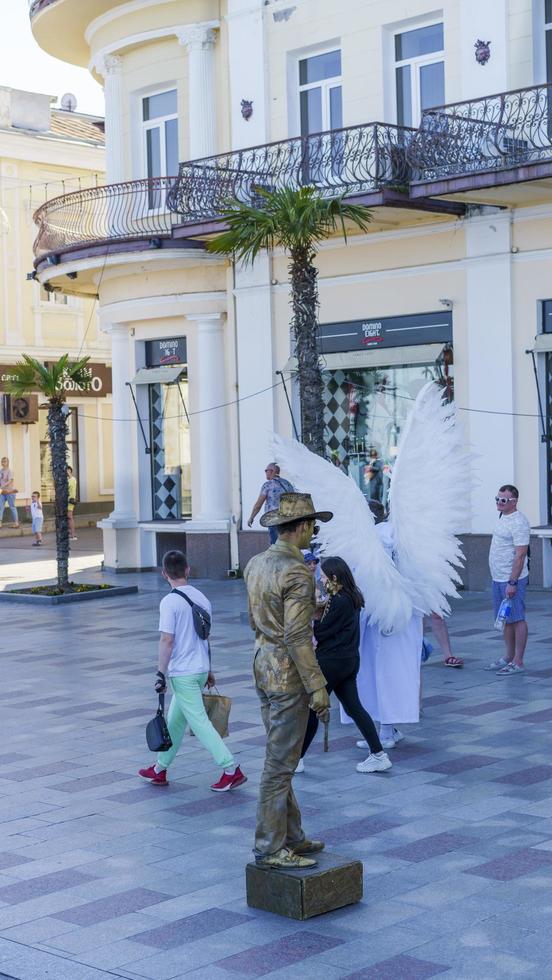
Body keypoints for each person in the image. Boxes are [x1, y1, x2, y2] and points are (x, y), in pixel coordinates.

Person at [244, 492, 332, 869]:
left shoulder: (256, 563)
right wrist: (317, 685)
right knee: (280, 765)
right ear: (299, 528)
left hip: (263, 665)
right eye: (311, 524)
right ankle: (269, 845)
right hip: (287, 675)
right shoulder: (297, 571)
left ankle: (291, 834)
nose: (313, 531)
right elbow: (297, 637)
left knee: (284, 757)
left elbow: (261, 617)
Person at [139, 549, 247, 791]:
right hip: (198, 669)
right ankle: (159, 769)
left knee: (199, 723)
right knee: (175, 722)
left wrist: (160, 673)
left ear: (164, 574)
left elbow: (167, 640)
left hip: (183, 673)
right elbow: (205, 637)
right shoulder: (202, 598)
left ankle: (231, 769)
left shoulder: (169, 602)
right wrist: (208, 668)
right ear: (187, 570)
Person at [297, 556, 391, 775]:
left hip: (332, 661)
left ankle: (297, 759)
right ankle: (378, 754)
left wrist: (312, 616)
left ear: (335, 577)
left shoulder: (339, 601)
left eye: (323, 577)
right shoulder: (351, 596)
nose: (321, 581)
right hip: (348, 661)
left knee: (313, 708)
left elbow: (321, 632)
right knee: (353, 707)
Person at [351, 511, 423, 750]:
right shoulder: (383, 540)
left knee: (387, 673)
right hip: (380, 614)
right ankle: (386, 727)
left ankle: (386, 730)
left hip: (394, 616)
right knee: (376, 672)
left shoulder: (390, 540)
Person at [484, 484, 530, 675]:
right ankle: (508, 657)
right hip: (498, 577)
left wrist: (513, 582)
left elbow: (520, 555)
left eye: (504, 500)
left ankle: (518, 661)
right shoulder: (503, 516)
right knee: (505, 618)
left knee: (517, 618)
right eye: (497, 499)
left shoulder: (519, 522)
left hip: (512, 579)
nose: (499, 503)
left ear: (514, 501)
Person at [247, 463, 294, 544]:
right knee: (287, 545)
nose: (265, 472)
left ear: (272, 471)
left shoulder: (268, 485)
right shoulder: (288, 484)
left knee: (275, 545)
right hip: (288, 519)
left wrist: (252, 517)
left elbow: (258, 505)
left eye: (266, 470)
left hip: (273, 519)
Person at [0, 457, 19, 528]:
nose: (3, 463)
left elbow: (10, 480)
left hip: (10, 491)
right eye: (2, 461)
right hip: (2, 492)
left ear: (8, 463)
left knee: (12, 507)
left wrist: (3, 485)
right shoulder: (0, 471)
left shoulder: (10, 471)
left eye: (5, 461)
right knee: (0, 507)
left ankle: (16, 523)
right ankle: (0, 523)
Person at [67, 466, 77, 541]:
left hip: (70, 500)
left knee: (70, 517)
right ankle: (70, 534)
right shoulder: (67, 479)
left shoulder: (73, 479)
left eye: (67, 470)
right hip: (65, 500)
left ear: (70, 470)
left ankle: (73, 535)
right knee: (67, 517)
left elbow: (71, 489)